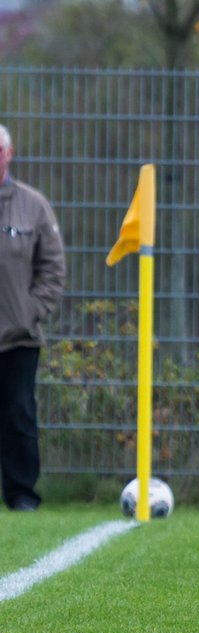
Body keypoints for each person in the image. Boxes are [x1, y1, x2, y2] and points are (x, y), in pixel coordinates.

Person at [0, 123, 65, 512]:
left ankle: (22, 493)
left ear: (8, 154)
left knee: (19, 415)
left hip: (18, 337)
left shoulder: (33, 205)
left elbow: (53, 269)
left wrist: (30, 311)